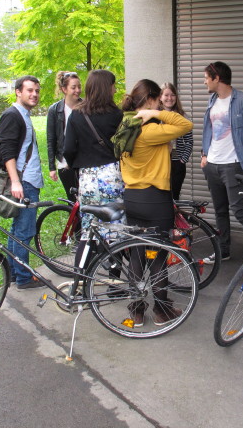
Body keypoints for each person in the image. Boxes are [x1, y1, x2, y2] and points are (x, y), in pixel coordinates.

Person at [120, 79, 193, 326]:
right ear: (151, 99)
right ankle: (161, 310)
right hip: (155, 199)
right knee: (159, 254)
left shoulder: (125, 125)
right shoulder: (150, 130)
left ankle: (137, 310)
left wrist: (151, 112)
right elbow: (186, 124)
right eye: (158, 99)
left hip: (131, 197)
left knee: (138, 254)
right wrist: (155, 112)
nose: (162, 102)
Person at [200, 61, 243, 264]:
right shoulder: (212, 100)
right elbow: (208, 130)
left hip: (233, 164)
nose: (204, 82)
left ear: (217, 78)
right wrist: (204, 155)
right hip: (212, 164)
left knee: (239, 209)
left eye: (206, 78)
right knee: (219, 210)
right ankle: (223, 250)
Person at [63, 69, 124, 264]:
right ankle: (115, 284)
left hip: (88, 178)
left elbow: (68, 149)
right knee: (115, 231)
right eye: (113, 85)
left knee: (88, 232)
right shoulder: (117, 115)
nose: (115, 89)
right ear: (107, 88)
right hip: (112, 176)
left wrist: (77, 168)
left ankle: (80, 282)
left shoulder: (77, 115)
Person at [0, 75, 45, 289]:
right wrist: (16, 182)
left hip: (27, 180)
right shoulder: (13, 115)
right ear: (18, 91)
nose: (34, 94)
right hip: (24, 182)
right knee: (24, 231)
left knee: (17, 230)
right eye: (29, 90)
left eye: (36, 91)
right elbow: (6, 151)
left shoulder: (22, 114)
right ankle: (24, 278)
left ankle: (16, 274)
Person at [46, 71, 82, 200]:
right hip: (65, 162)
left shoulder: (86, 107)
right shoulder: (55, 110)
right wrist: (52, 167)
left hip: (84, 160)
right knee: (73, 200)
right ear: (64, 89)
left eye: (79, 86)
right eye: (73, 87)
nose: (77, 90)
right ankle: (74, 221)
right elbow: (51, 139)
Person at [160, 82, 193, 200]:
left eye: (173, 95)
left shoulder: (182, 116)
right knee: (161, 198)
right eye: (166, 95)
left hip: (176, 163)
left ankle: (175, 219)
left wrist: (182, 160)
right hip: (159, 163)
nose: (170, 98)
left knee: (174, 197)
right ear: (160, 97)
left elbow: (189, 141)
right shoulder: (155, 116)